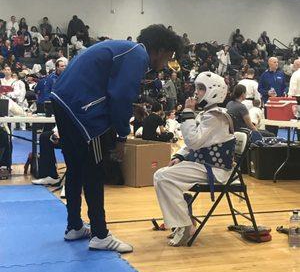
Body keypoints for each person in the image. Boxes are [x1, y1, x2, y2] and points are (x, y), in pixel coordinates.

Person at [51, 24, 182, 253]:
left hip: (64, 100)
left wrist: (132, 107)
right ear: (160, 50)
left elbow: (112, 90)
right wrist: (122, 136)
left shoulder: (126, 48)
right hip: (83, 106)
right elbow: (119, 95)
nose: (165, 64)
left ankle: (74, 226)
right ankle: (100, 235)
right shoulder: (138, 55)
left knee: (75, 168)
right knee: (94, 169)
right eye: (168, 57)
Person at [154, 72, 235, 246]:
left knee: (163, 177)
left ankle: (185, 224)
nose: (196, 92)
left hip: (215, 170)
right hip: (203, 165)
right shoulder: (207, 114)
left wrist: (188, 112)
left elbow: (193, 140)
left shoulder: (216, 117)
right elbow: (192, 144)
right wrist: (179, 155)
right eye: (197, 88)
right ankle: (184, 219)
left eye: (201, 88)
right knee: (161, 175)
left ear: (213, 91)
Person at [258, 57, 286, 135]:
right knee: (269, 122)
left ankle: (275, 138)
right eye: (274, 62)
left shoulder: (281, 74)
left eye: (277, 62)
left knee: (276, 122)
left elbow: (284, 86)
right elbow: (259, 88)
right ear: (269, 63)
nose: (276, 63)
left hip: (278, 103)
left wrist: (284, 92)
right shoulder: (264, 75)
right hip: (268, 103)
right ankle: (268, 138)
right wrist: (267, 93)